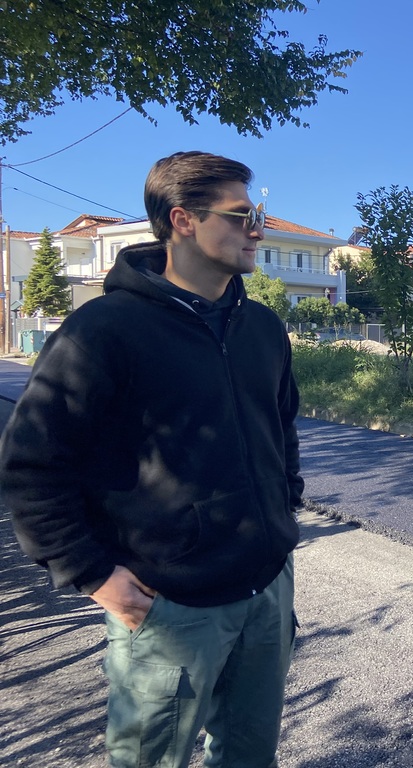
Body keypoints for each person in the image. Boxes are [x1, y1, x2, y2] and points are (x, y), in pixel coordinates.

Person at [0, 151, 304, 768]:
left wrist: (283, 512)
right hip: (169, 605)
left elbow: (282, 430)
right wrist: (91, 574)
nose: (257, 231)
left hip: (266, 589)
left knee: (251, 758)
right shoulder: (102, 330)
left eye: (258, 216)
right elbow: (32, 466)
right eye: (241, 215)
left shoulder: (263, 328)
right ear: (183, 220)